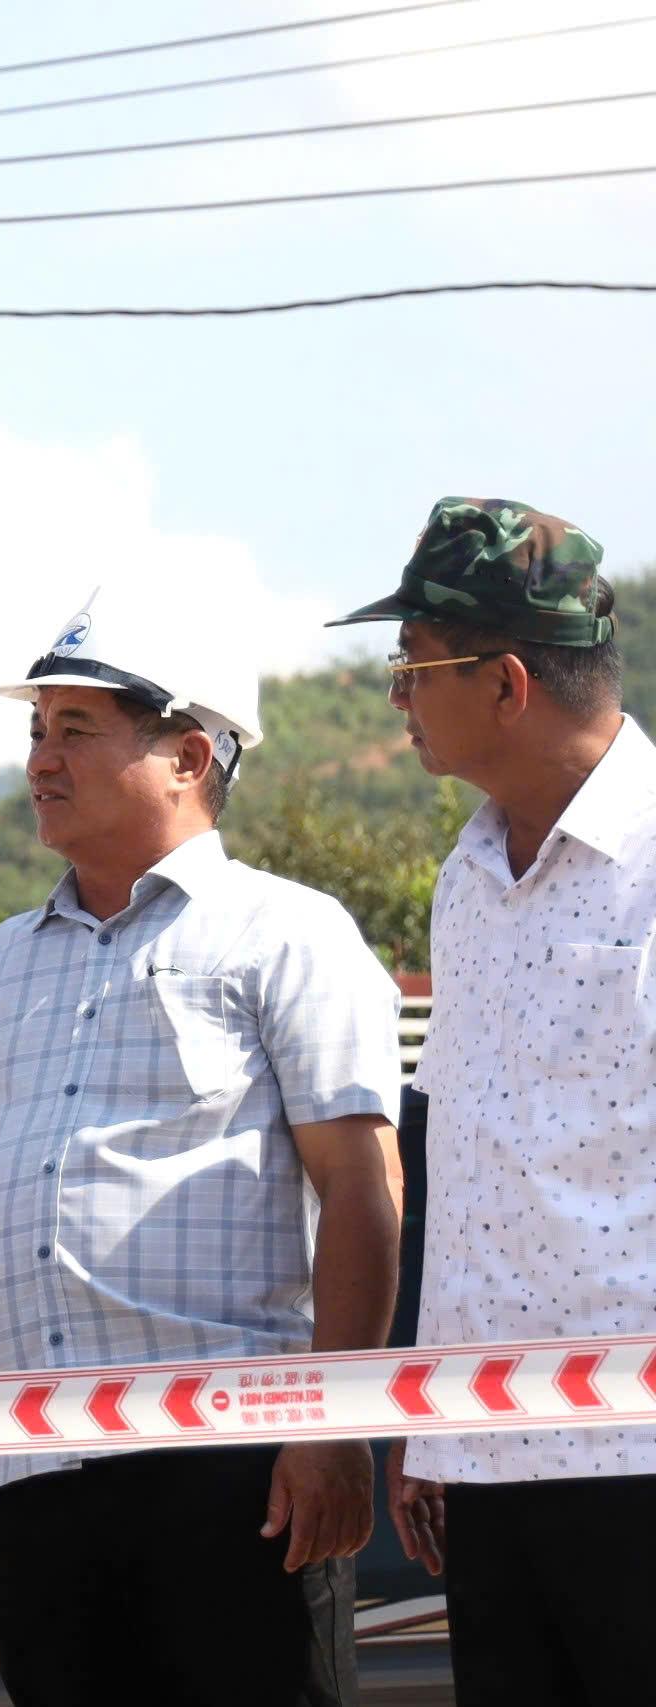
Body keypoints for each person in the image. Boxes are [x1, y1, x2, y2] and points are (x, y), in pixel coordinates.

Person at [0, 590, 404, 1707]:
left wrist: (335, 1428)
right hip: (34, 1477)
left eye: (76, 729)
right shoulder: (1, 961)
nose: (40, 759)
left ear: (190, 755)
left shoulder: (288, 933)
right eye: (36, 729)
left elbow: (362, 1187)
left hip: (235, 1469)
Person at [328, 499, 654, 1707]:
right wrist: (431, 1416)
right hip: (491, 1457)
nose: (395, 698)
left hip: (638, 1451)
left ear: (505, 683)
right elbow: (462, 1156)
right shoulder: (463, 880)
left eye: (413, 666)